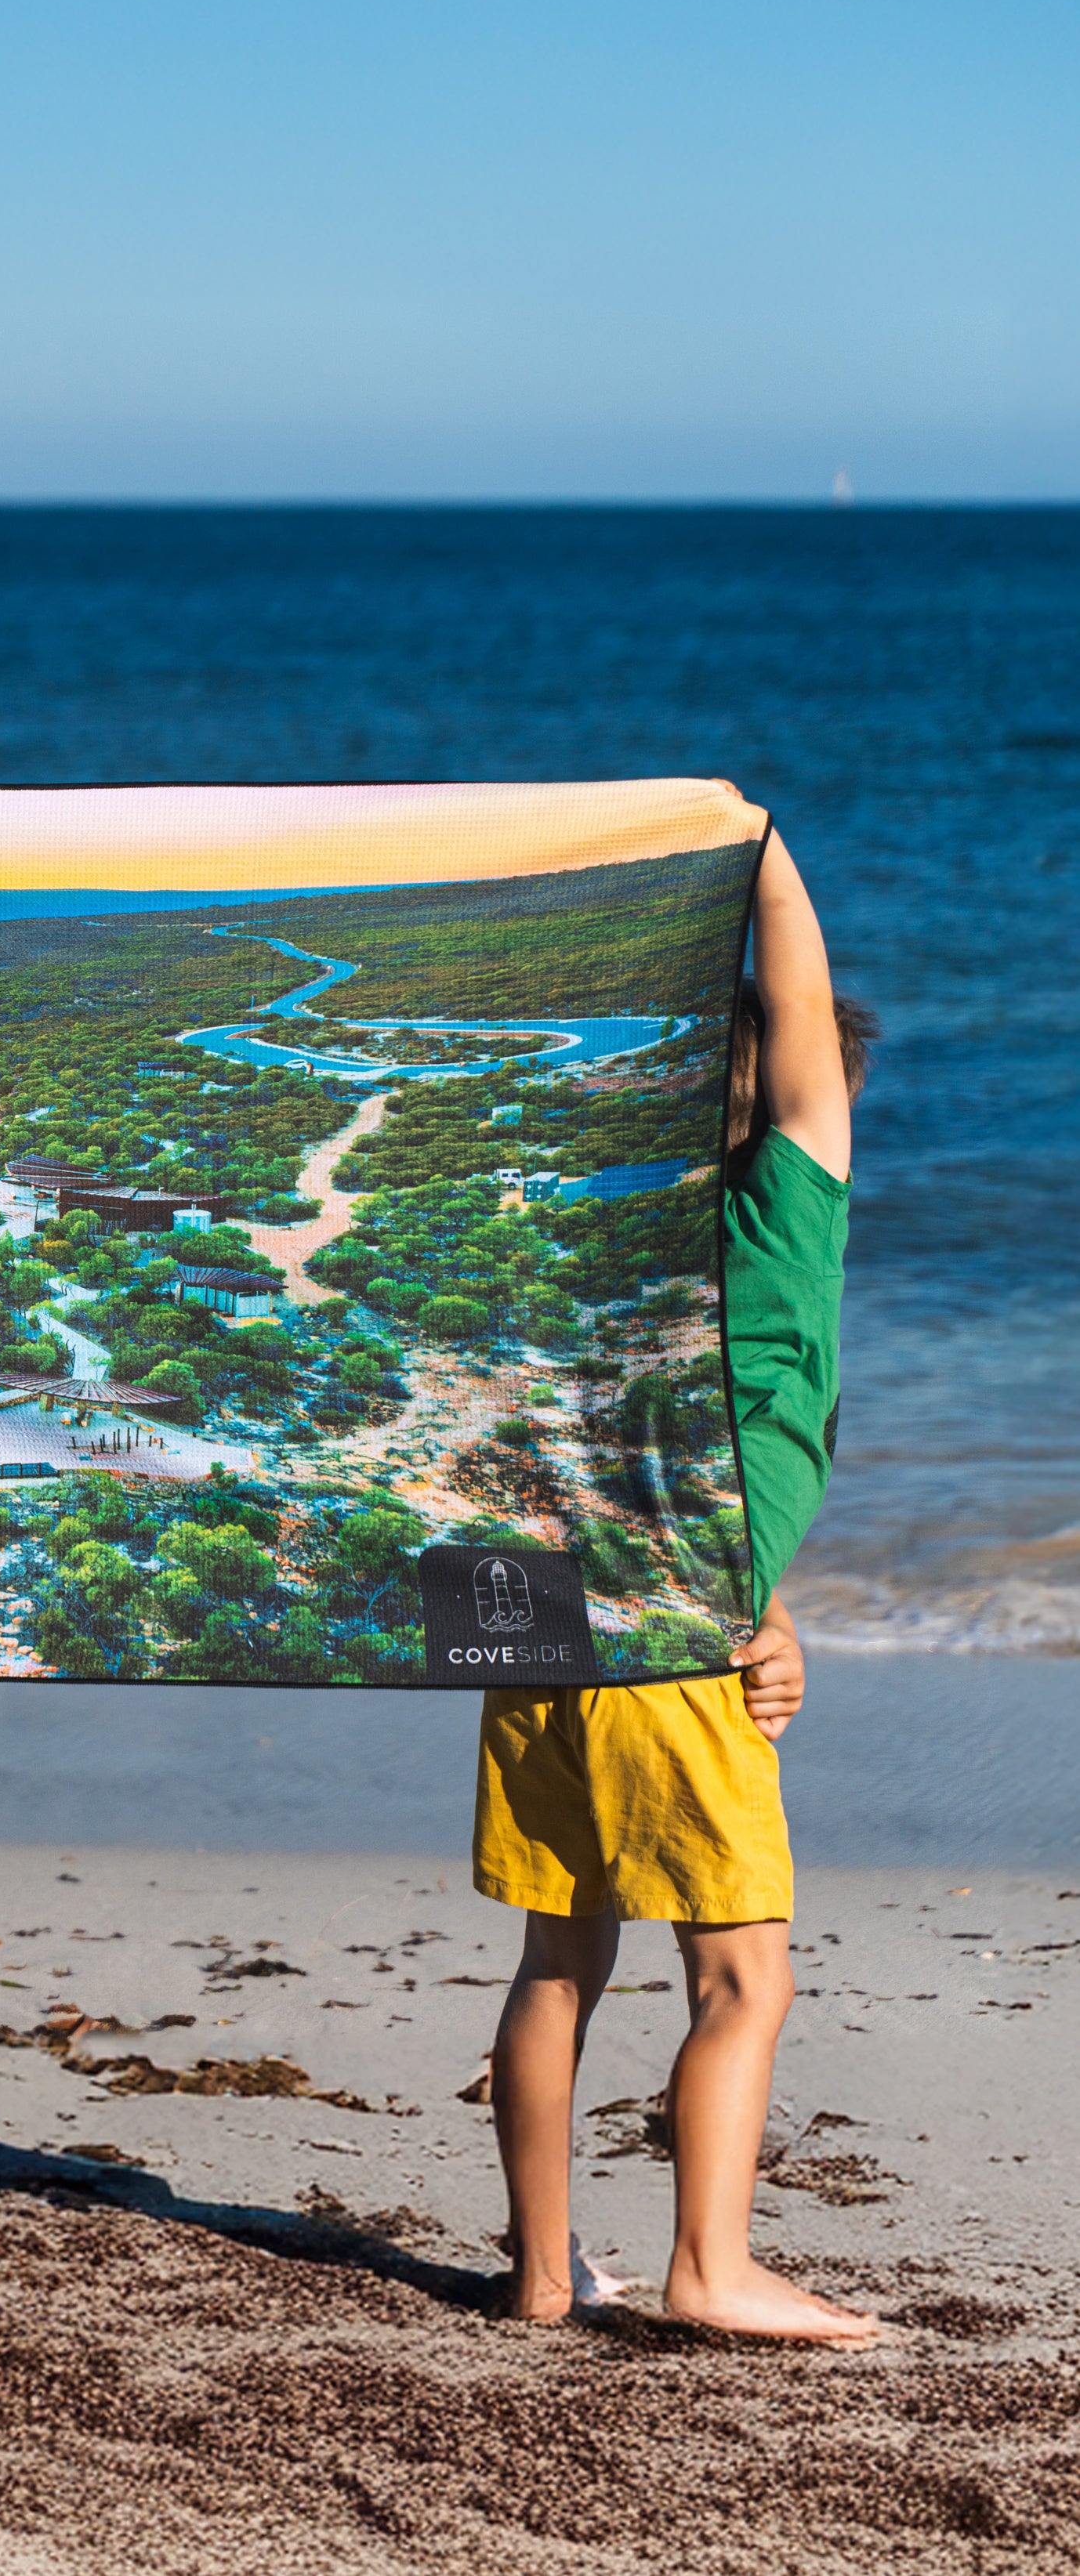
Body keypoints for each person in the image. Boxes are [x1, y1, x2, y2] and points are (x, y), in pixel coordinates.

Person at [471, 827, 881, 2340]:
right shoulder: (777, 1237)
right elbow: (800, 1056)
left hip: (528, 1619)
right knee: (740, 1981)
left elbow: (606, 1471)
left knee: (557, 1958)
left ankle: (538, 2273)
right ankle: (709, 2267)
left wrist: (762, 1615)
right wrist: (758, 856)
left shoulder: (591, 1255)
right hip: (662, 1640)